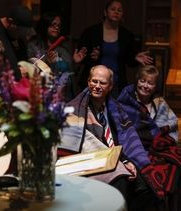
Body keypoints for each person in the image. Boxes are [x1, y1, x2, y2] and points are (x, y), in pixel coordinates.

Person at [59, 65, 168, 210]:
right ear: (88, 82)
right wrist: (121, 161)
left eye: (102, 83)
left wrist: (127, 160)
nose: (97, 86)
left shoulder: (115, 108)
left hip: (116, 156)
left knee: (147, 186)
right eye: (94, 81)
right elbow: (84, 143)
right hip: (92, 160)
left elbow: (126, 137)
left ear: (110, 86)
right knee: (121, 179)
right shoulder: (75, 110)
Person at [117, 65, 181, 211]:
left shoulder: (159, 102)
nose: (145, 86)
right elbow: (123, 131)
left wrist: (159, 141)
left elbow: (170, 125)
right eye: (142, 81)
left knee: (175, 170)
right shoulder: (125, 102)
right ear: (137, 81)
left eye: (150, 83)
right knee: (147, 183)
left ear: (155, 86)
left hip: (156, 149)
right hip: (133, 150)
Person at [73, 0, 153, 97]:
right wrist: (90, 58)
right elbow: (83, 59)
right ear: (105, 12)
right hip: (94, 84)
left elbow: (130, 62)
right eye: (113, 9)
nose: (116, 12)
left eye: (119, 10)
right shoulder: (91, 32)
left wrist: (135, 57)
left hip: (116, 84)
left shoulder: (127, 35)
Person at [27, 11, 78, 102]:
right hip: (46, 96)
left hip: (66, 96)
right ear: (45, 25)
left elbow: (70, 73)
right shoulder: (33, 45)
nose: (56, 27)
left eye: (59, 25)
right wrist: (47, 63)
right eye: (53, 24)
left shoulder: (65, 45)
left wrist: (75, 62)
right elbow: (30, 71)